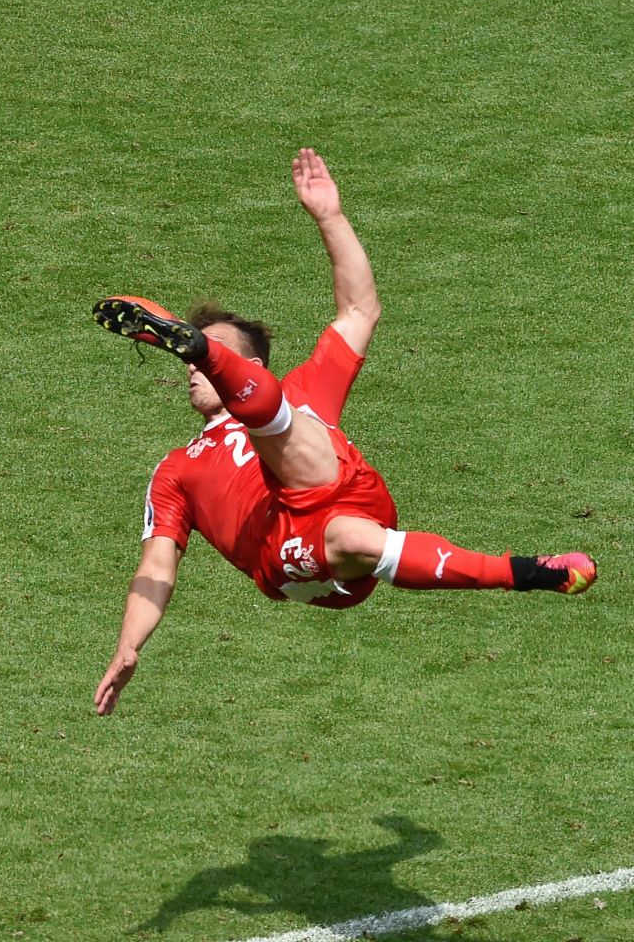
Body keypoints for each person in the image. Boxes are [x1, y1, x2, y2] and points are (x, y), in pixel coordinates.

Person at [90, 148, 596, 717]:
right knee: (338, 522)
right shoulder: (176, 470)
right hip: (282, 552)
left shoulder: (304, 388)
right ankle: (524, 572)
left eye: (208, 358)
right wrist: (130, 644)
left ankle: (531, 576)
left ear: (255, 365)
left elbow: (360, 309)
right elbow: (156, 567)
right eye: (194, 359)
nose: (189, 371)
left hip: (349, 496)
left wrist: (330, 217)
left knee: (323, 473)